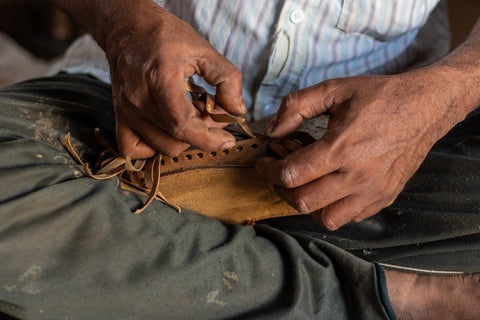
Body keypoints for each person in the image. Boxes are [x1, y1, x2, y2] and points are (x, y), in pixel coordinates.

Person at [0, 0, 478, 319]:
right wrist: (125, 20)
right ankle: (390, 294)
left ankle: (145, 243)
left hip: (380, 142)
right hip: (129, 95)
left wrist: (443, 95)